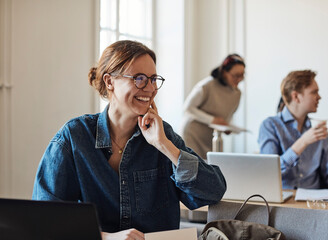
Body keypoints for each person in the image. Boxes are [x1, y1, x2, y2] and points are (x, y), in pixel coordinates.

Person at [32, 40, 226, 239]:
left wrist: (164, 146)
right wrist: (106, 237)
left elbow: (212, 191)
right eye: (139, 78)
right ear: (109, 82)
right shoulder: (75, 137)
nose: (150, 88)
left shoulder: (162, 134)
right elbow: (46, 219)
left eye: (153, 79)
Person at [258, 70, 328, 190]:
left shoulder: (318, 130)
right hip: (282, 201)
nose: (319, 97)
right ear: (296, 97)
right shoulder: (270, 126)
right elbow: (267, 172)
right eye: (314, 92)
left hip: (315, 201)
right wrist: (302, 142)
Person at [180, 54, 246, 159]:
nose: (239, 79)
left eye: (242, 75)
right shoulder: (207, 85)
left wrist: (227, 127)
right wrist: (212, 120)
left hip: (212, 138)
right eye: (235, 75)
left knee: (211, 169)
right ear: (224, 72)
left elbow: (226, 117)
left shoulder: (237, 94)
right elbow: (188, 108)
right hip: (193, 136)